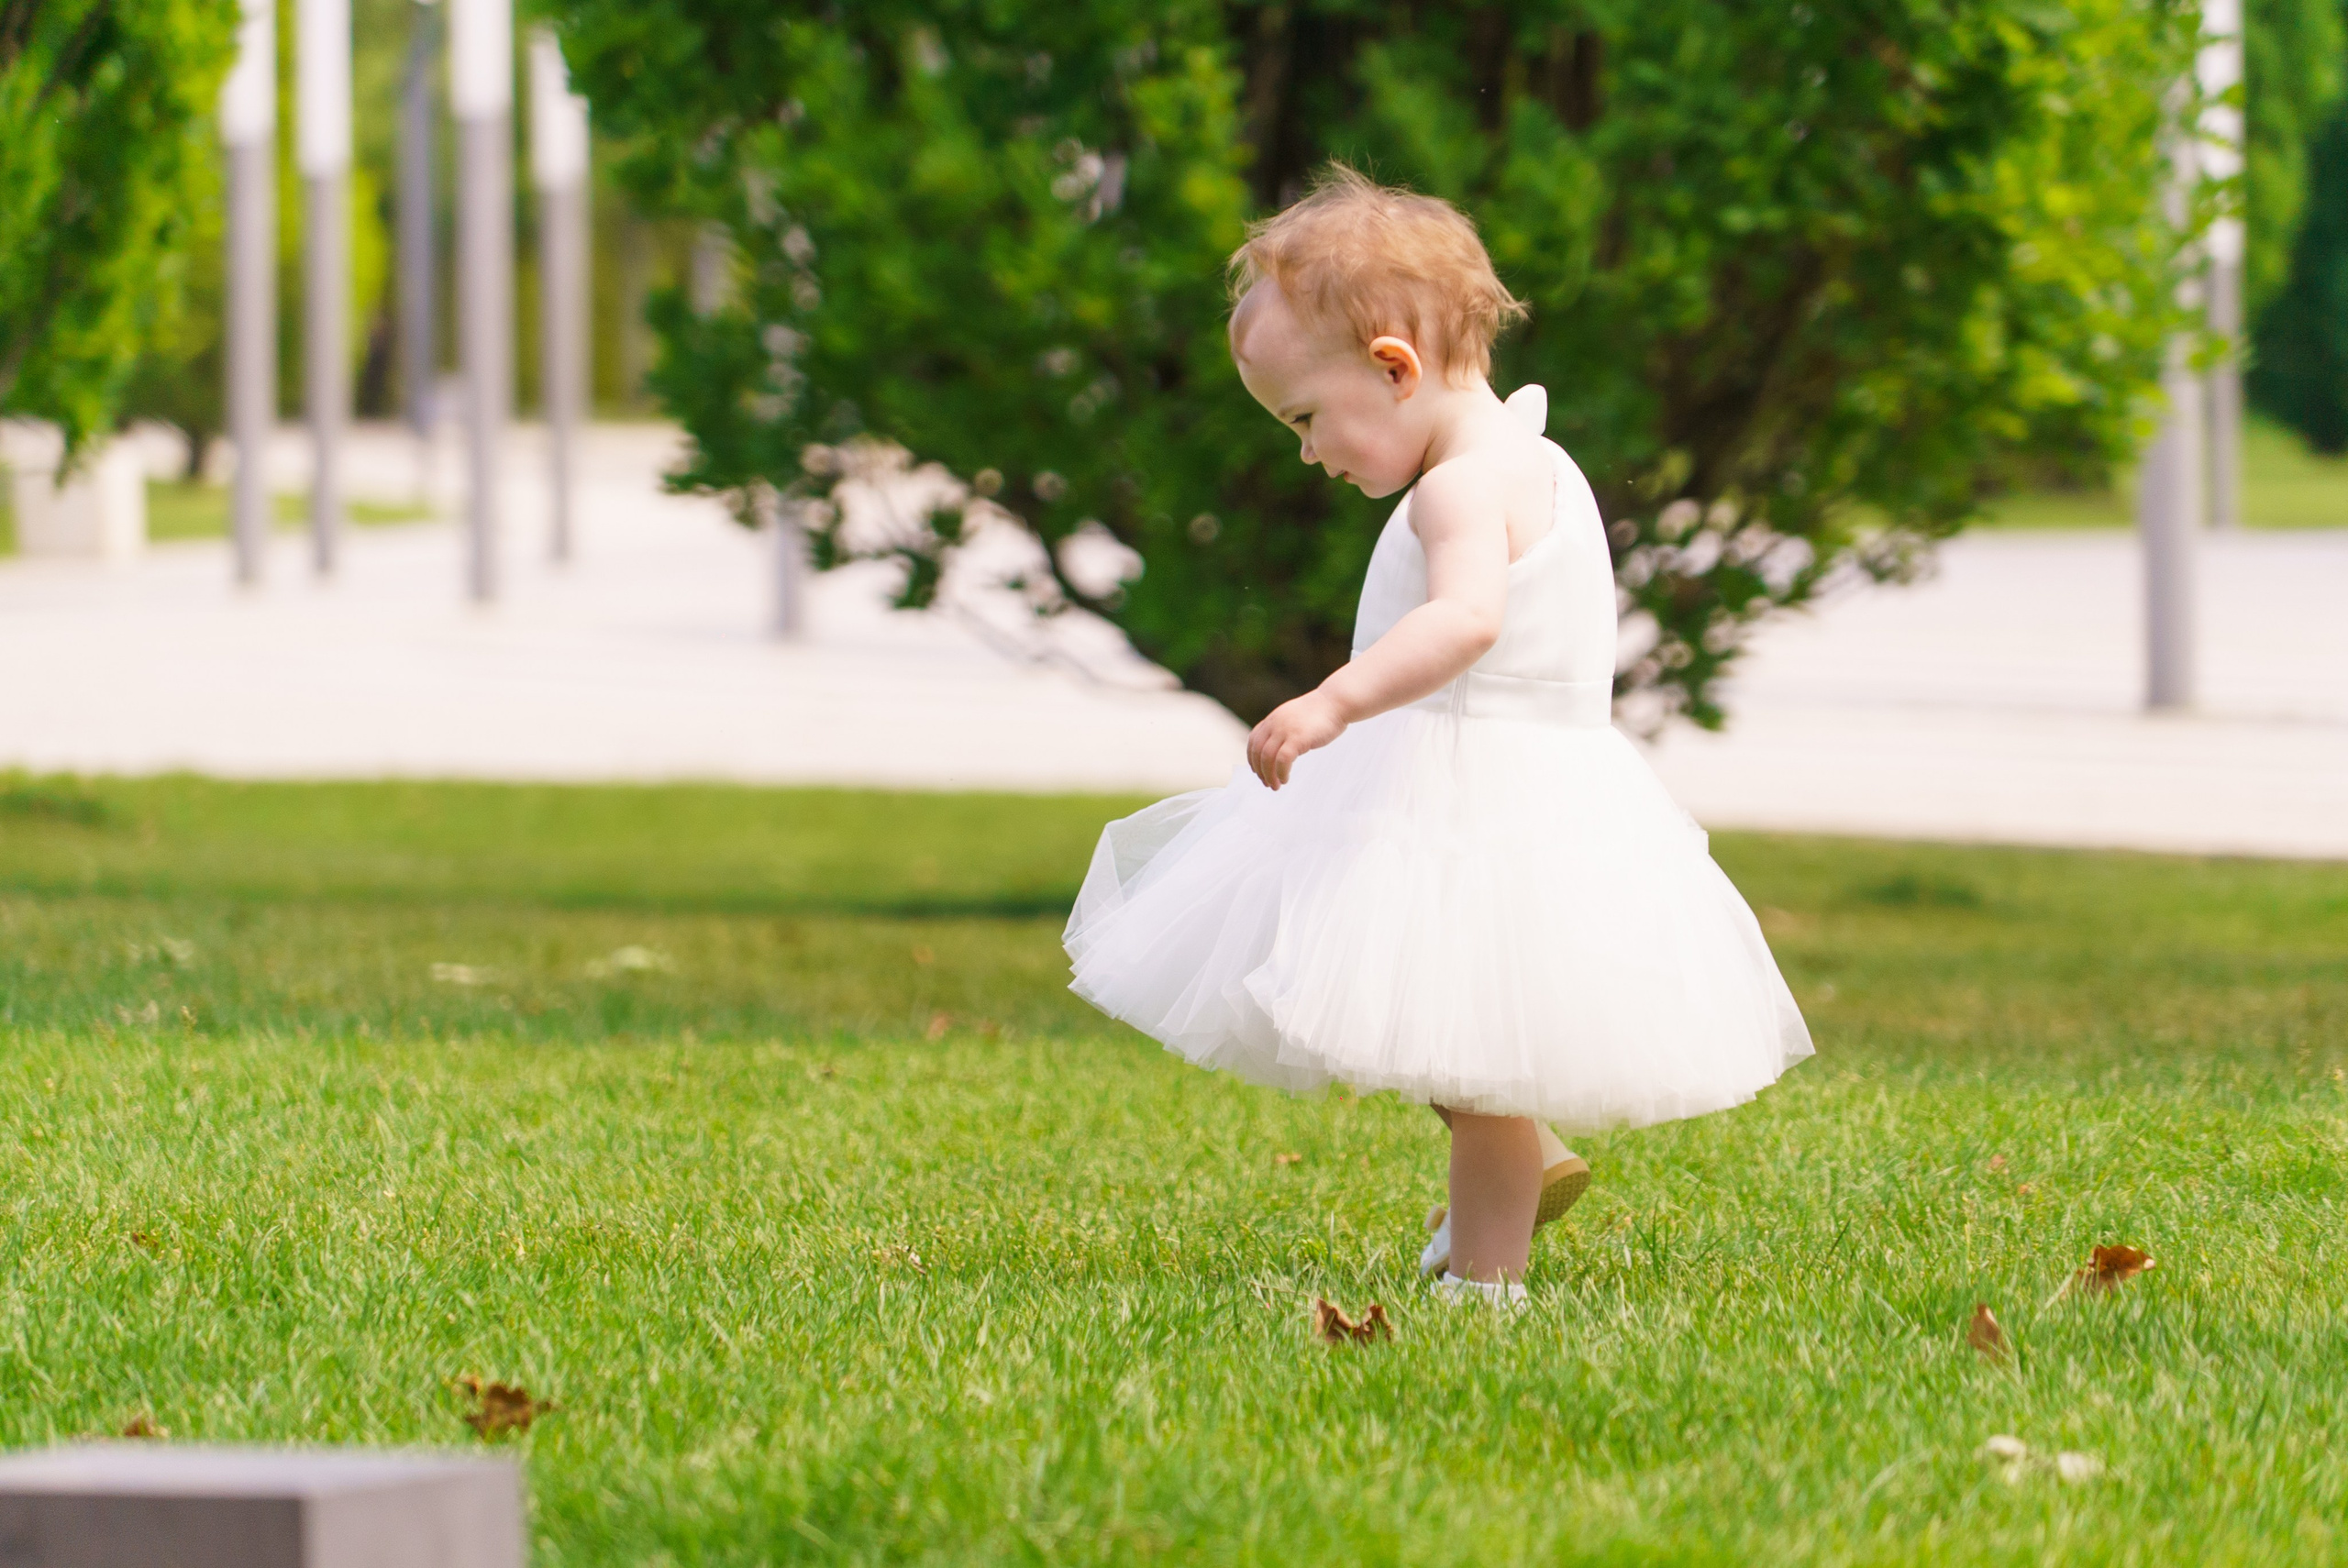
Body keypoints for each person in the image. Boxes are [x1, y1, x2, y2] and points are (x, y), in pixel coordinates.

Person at [1063, 166, 1812, 1308]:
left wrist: (1334, 701)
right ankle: (1509, 1178)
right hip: (1534, 786)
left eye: (1305, 420)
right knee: (1436, 1018)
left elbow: (1465, 619)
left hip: (1468, 787)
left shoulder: (1455, 491)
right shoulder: (1536, 457)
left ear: (1393, 368)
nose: (1307, 452)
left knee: (1469, 1057)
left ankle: (1484, 1276)